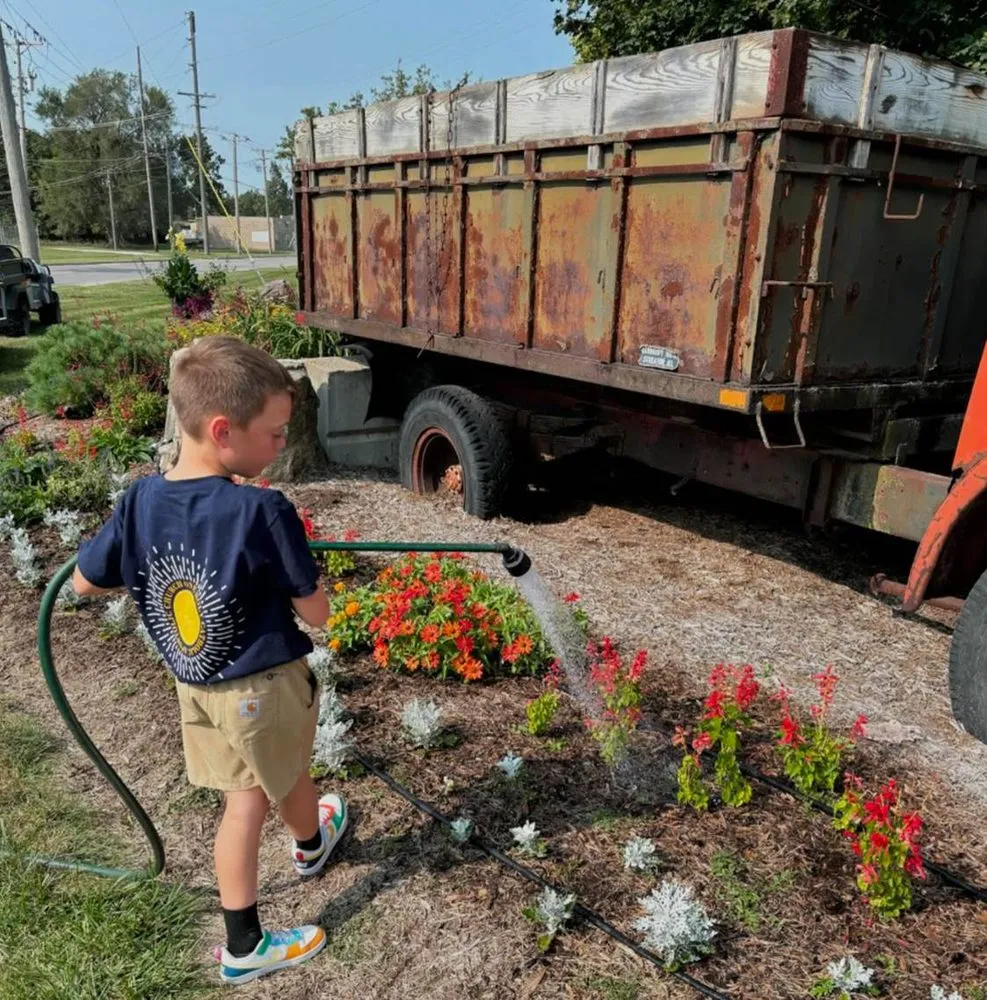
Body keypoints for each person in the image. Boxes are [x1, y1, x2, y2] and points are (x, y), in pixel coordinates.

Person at [73, 336, 347, 986]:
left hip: (195, 687)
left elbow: (85, 582)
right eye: (275, 433)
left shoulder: (139, 500)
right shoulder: (262, 509)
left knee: (241, 799)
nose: (281, 446)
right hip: (265, 688)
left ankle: (248, 928)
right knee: (281, 780)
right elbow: (316, 613)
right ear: (223, 431)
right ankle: (306, 852)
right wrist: (311, 584)